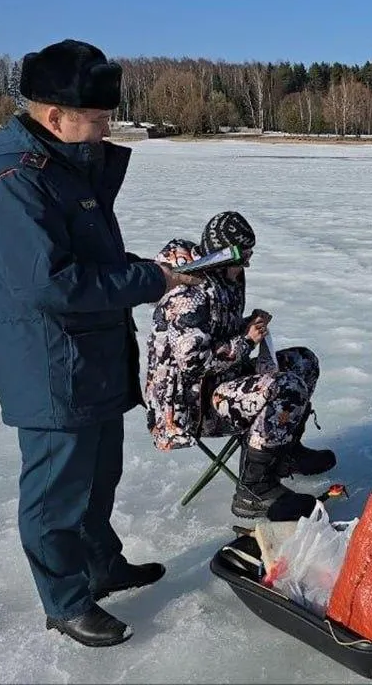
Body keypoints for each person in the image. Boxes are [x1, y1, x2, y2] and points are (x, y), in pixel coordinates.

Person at [0, 39, 201, 648]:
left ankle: (102, 565)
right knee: (56, 495)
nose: (106, 131)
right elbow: (49, 283)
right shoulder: (16, 180)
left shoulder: (67, 164)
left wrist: (152, 270)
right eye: (97, 120)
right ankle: (66, 601)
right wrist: (150, 282)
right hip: (52, 366)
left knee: (100, 478)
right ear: (54, 116)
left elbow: (91, 257)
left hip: (93, 357)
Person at [144, 211, 335, 523]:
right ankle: (254, 490)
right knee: (285, 389)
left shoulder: (225, 278)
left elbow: (217, 331)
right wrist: (245, 341)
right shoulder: (188, 295)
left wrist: (247, 325)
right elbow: (193, 363)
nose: (246, 265)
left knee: (303, 362)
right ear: (222, 256)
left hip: (224, 379)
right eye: (242, 258)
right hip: (194, 406)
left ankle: (284, 453)